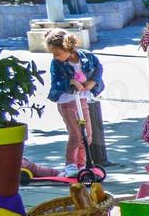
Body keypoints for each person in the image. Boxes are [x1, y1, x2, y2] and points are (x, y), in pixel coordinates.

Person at [44, 29, 104, 178]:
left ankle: (81, 164)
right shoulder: (56, 64)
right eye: (53, 54)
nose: (55, 57)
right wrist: (70, 82)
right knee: (76, 134)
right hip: (67, 101)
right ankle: (70, 164)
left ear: (68, 48)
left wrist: (93, 82)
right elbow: (56, 81)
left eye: (57, 53)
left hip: (82, 99)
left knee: (87, 135)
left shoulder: (87, 57)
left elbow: (98, 67)